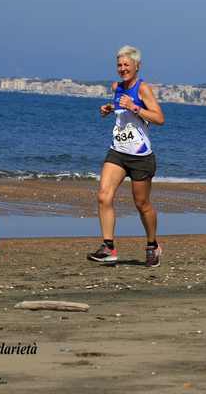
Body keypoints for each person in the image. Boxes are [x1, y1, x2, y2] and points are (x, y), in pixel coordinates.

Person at [87, 45, 165, 266]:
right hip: (118, 152)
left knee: (142, 204)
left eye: (126, 65)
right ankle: (108, 247)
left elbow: (159, 118)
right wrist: (110, 109)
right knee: (103, 195)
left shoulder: (143, 89)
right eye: (119, 65)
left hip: (141, 156)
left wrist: (134, 107)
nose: (122, 69)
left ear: (137, 66)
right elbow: (122, 111)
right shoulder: (116, 87)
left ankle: (152, 245)